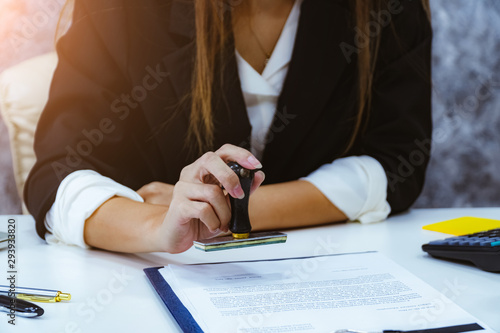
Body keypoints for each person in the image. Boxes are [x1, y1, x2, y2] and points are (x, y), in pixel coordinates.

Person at [24, 0, 432, 254]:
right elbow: (56, 174)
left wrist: (238, 209)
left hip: (318, 275)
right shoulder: (123, 9)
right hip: (151, 279)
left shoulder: (384, 9)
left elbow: (398, 162)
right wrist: (160, 226)